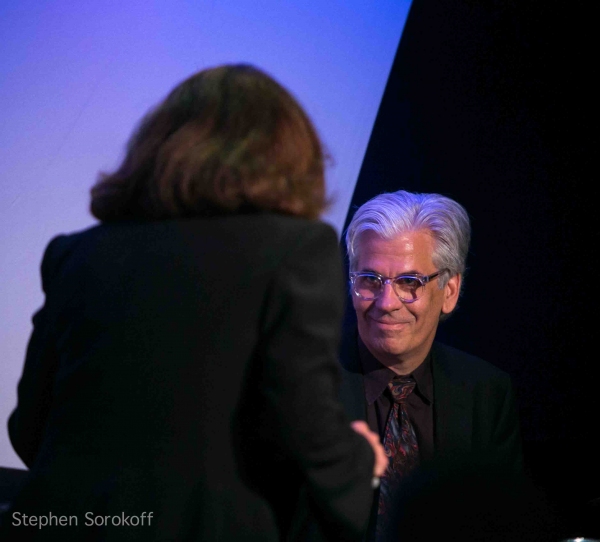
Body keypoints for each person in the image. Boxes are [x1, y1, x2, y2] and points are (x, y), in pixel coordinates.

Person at [1, 63, 387, 542]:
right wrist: (359, 460)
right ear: (290, 158)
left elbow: (28, 426)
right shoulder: (296, 250)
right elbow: (303, 426)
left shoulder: (78, 254)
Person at [340, 190, 525, 541]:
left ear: (450, 291)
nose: (386, 303)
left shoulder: (485, 393)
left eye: (409, 283)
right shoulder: (299, 384)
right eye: (370, 280)